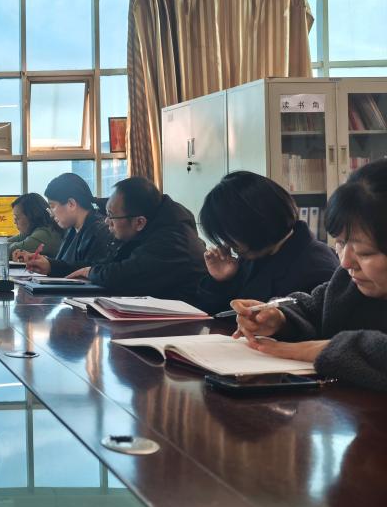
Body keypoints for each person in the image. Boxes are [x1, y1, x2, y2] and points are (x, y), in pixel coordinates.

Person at [232, 160, 387, 391]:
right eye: (340, 243)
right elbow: (313, 307)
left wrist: (324, 349)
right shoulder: (346, 282)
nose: (345, 262)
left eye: (365, 252)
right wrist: (278, 318)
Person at [196, 172, 338, 314]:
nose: (227, 244)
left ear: (255, 223)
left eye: (230, 234)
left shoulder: (317, 268)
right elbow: (212, 315)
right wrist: (221, 281)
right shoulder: (254, 255)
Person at [67, 176, 207, 302]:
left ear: (139, 222)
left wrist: (90, 272)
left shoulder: (172, 240)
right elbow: (110, 264)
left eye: (111, 215)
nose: (106, 221)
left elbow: (123, 276)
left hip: (189, 317)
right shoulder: (153, 222)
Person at [16, 173, 112, 276]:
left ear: (71, 204)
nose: (51, 214)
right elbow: (66, 263)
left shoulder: (100, 231)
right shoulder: (72, 230)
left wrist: (52, 266)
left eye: (53, 206)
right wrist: (45, 261)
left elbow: (93, 269)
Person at [7, 193, 62, 259]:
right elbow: (4, 243)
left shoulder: (44, 234)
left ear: (31, 216)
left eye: (17, 218)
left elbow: (7, 251)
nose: (14, 222)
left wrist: (6, 245)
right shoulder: (31, 231)